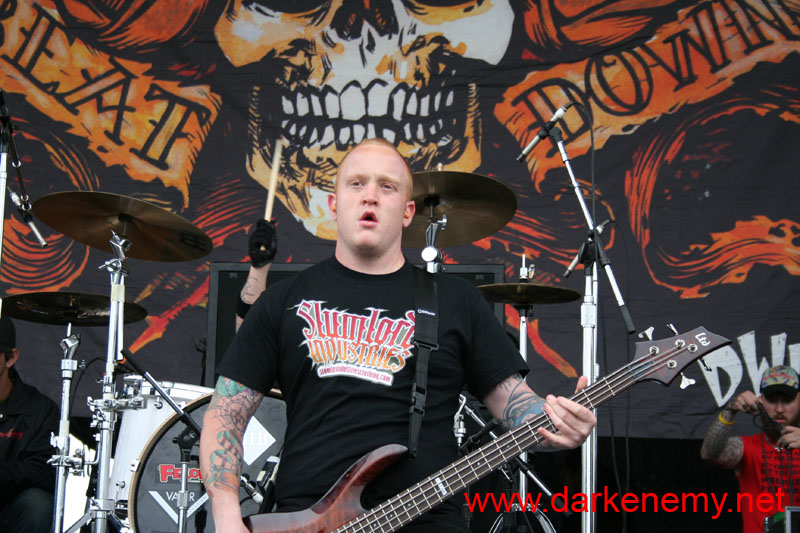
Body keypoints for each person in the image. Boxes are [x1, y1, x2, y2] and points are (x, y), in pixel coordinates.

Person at [199, 138, 597, 532]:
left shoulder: (455, 300)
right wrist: (228, 517)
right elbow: (225, 415)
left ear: (408, 213)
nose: (370, 196)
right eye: (356, 183)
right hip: (304, 522)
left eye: (387, 186)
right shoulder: (282, 302)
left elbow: (514, 403)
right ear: (334, 205)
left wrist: (557, 424)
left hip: (426, 519)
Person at [701, 365, 800, 533]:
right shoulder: (749, 446)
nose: (779, 409)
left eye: (787, 400)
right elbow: (709, 453)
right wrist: (731, 409)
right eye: (772, 400)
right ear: (760, 402)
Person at [0, 315, 59, 533]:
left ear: (10, 358)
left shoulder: (41, 409)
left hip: (9, 513)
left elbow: (45, 472)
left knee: (39, 504)